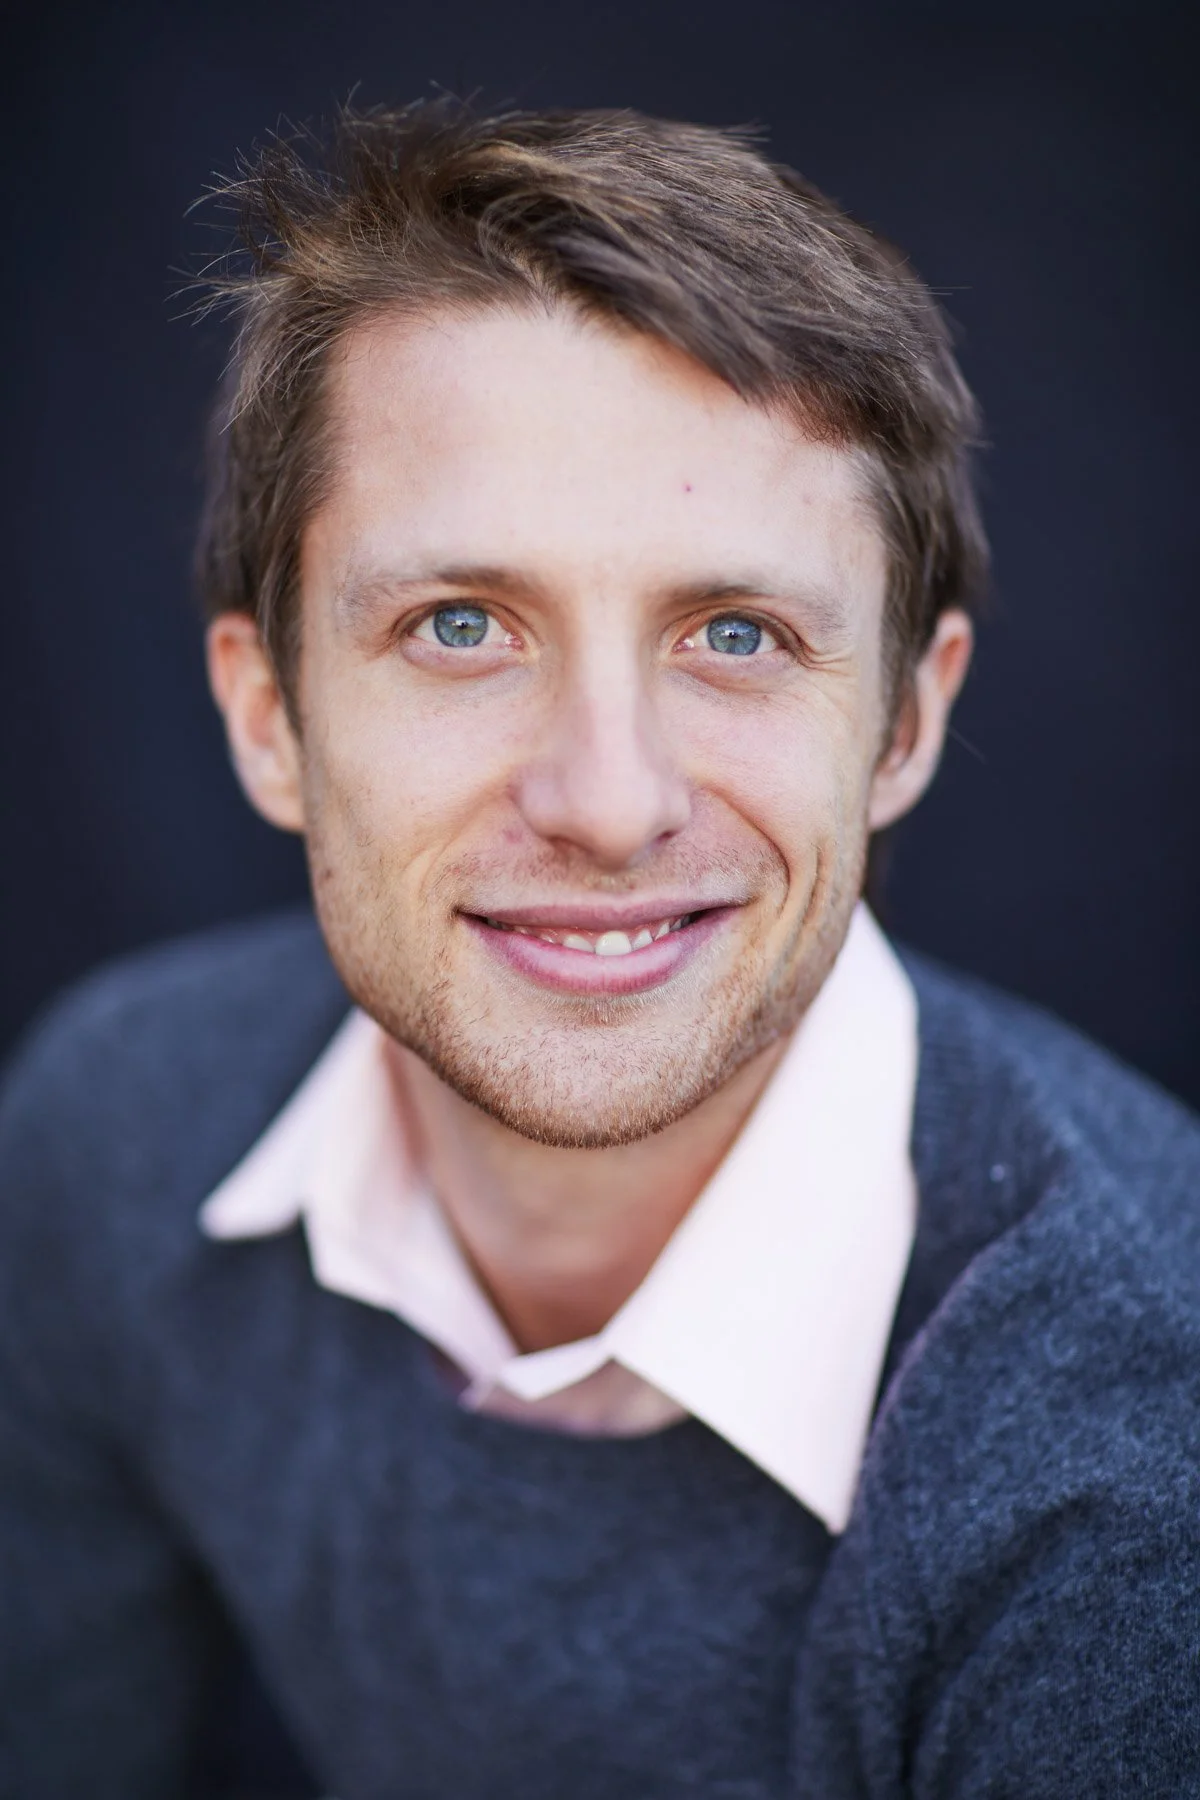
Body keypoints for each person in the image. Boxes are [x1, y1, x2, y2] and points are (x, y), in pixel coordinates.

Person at [1, 100, 1196, 1800]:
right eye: (462, 627)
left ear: (903, 726)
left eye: (736, 634)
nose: (610, 802)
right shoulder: (112, 1136)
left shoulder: (1142, 1501)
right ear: (268, 717)